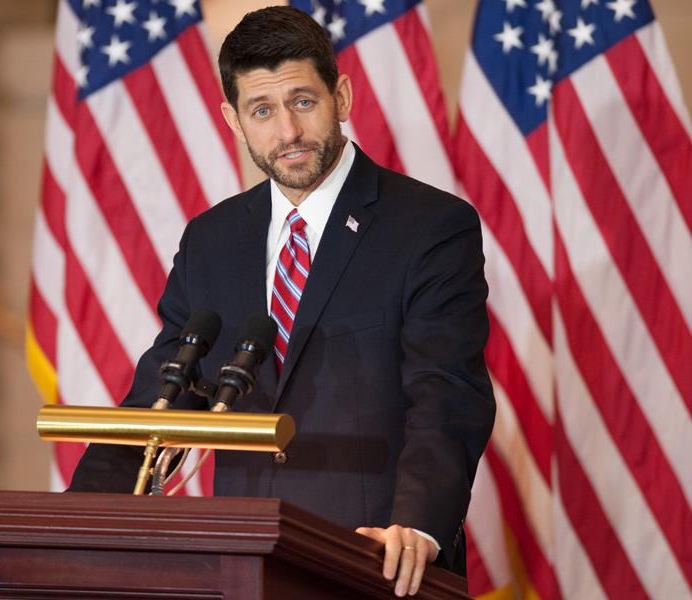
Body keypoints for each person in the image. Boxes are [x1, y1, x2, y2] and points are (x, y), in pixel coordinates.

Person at [69, 6, 495, 597]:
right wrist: (74, 520)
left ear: (341, 96)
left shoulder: (430, 226)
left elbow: (447, 392)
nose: (287, 133)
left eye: (303, 101)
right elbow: (163, 396)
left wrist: (417, 525)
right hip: (239, 570)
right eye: (262, 110)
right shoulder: (211, 241)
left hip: (373, 563)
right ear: (233, 119)